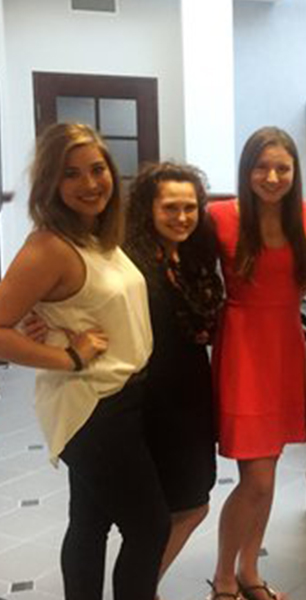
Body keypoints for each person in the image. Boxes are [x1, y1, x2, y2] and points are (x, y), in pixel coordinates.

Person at [0, 123, 170, 600]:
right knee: (150, 527)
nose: (90, 183)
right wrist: (67, 354)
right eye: (71, 174)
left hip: (118, 399)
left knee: (90, 523)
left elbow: (81, 302)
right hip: (92, 406)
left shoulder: (96, 237)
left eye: (97, 170)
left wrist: (50, 320)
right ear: (50, 183)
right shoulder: (48, 246)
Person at [208, 127, 306, 600]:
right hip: (243, 352)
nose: (272, 177)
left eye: (283, 168)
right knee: (257, 478)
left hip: (286, 349)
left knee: (267, 470)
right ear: (246, 169)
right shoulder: (218, 217)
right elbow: (178, 268)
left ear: (295, 173)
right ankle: (225, 576)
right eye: (262, 167)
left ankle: (249, 571)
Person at [124, 162, 224, 593]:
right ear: (148, 208)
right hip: (147, 400)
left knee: (193, 502)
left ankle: (143, 586)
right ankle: (139, 588)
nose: (182, 217)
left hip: (190, 395)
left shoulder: (193, 257)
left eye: (190, 207)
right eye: (171, 207)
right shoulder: (127, 263)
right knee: (155, 512)